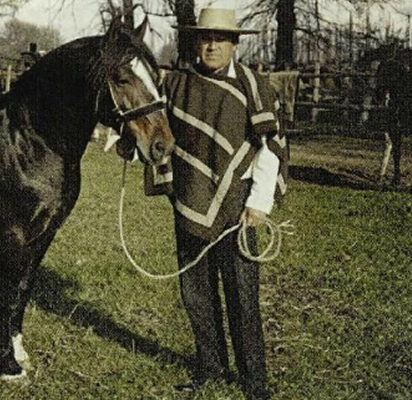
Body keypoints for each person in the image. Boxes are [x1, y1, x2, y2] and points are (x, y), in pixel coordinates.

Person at [150, 8, 289, 399]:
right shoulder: (176, 85)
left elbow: (270, 149)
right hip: (190, 199)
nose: (211, 45)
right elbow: (154, 131)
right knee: (195, 291)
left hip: (237, 205)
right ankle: (210, 367)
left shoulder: (254, 87)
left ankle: (253, 381)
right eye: (205, 38)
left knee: (242, 295)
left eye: (220, 39)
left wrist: (259, 203)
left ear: (234, 44)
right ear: (196, 41)